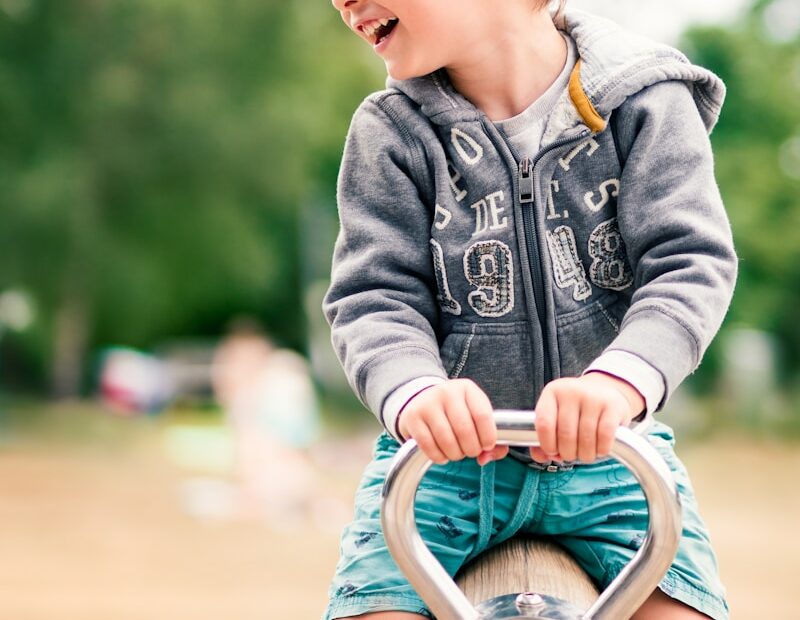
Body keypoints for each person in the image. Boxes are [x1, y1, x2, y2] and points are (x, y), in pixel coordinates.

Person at [322, 1, 736, 618]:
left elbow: (689, 265)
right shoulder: (392, 132)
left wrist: (619, 382)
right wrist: (415, 393)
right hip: (444, 468)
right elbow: (375, 297)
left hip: (613, 459)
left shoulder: (646, 103)